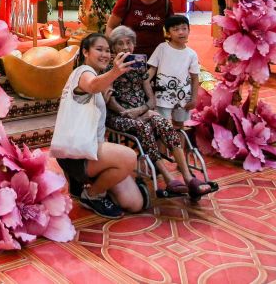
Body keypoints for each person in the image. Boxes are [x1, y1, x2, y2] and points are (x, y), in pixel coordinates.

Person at [105, 26, 213, 198]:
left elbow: (151, 99)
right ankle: (169, 178)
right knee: (144, 128)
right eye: (120, 44)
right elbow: (109, 100)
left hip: (141, 112)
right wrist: (128, 112)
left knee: (163, 123)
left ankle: (188, 177)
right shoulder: (108, 68)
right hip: (119, 116)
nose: (125, 47)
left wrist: (142, 110)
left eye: (128, 43)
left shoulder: (139, 67)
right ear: (113, 48)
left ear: (134, 45)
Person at [53, 33, 148, 219]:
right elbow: (92, 85)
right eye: (99, 49)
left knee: (135, 203)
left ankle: (88, 184)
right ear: (85, 52)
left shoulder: (97, 80)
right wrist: (116, 71)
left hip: (90, 150)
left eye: (108, 51)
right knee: (129, 158)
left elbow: (93, 92)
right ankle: (92, 194)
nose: (105, 54)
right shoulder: (82, 72)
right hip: (76, 154)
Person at [106, 0, 173, 59]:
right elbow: (111, 26)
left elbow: (173, 30)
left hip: (157, 57)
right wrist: (112, 49)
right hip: (129, 55)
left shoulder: (166, 3)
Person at [148, 14, 201, 125]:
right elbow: (152, 70)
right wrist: (144, 83)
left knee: (179, 125)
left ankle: (179, 143)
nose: (181, 32)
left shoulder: (192, 54)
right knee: (161, 126)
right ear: (168, 33)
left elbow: (195, 78)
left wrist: (194, 99)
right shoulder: (162, 48)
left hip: (183, 99)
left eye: (184, 28)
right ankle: (162, 143)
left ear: (189, 30)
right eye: (175, 29)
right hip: (163, 98)